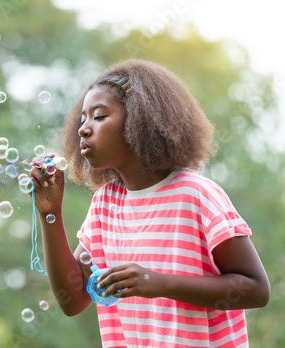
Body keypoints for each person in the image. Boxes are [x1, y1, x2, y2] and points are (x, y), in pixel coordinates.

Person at [29, 59, 270, 348]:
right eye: (82, 119)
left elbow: (256, 289)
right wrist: (50, 214)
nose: (83, 129)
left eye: (99, 116)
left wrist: (159, 283)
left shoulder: (195, 195)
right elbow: (75, 299)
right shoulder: (106, 204)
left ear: (139, 121)